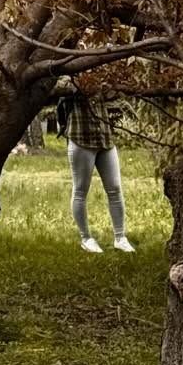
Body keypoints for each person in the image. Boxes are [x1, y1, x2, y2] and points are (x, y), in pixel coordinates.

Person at [62, 90, 134, 254]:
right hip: (81, 139)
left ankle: (120, 238)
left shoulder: (101, 74)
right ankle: (86, 238)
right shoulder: (70, 73)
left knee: (115, 188)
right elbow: (62, 89)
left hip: (104, 139)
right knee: (80, 189)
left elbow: (113, 95)